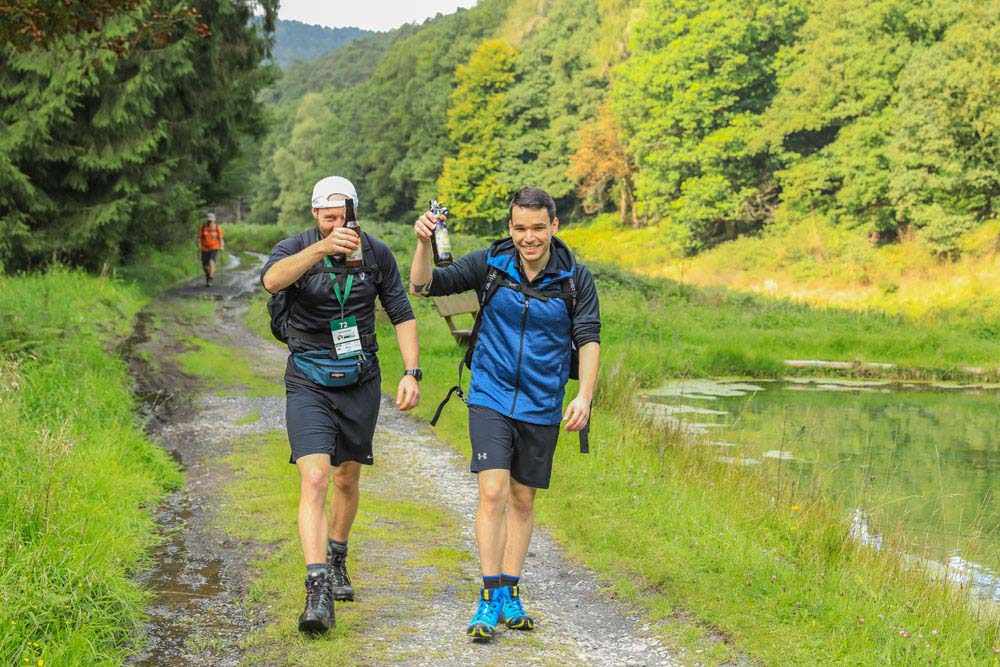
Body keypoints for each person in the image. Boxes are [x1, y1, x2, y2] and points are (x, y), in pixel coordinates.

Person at [409, 186, 601, 641]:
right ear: (509, 227)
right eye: (520, 228)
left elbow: (589, 338)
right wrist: (422, 243)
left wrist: (585, 397)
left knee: (522, 498)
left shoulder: (575, 277)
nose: (529, 237)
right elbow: (423, 285)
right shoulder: (489, 264)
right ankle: (488, 594)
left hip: (542, 402)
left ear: (554, 226)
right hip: (490, 395)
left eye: (538, 228)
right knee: (492, 491)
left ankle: (512, 590)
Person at [261, 176, 422, 634]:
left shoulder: (375, 253)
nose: (338, 224)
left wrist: (411, 372)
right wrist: (320, 250)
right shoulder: (296, 248)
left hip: (359, 378)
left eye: (345, 216)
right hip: (308, 377)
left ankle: (337, 556)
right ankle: (317, 589)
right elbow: (271, 281)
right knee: (313, 477)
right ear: (315, 216)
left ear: (357, 213)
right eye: (329, 217)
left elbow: (402, 313)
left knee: (345, 477)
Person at [198, 212, 224, 286]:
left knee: (211, 261)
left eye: (211, 220)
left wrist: (221, 246)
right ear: (207, 220)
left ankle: (210, 278)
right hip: (204, 248)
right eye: (209, 220)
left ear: (214, 220)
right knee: (205, 266)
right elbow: (199, 238)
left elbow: (220, 238)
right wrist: (199, 244)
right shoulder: (203, 227)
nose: (210, 221)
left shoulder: (217, 227)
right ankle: (208, 275)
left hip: (214, 247)